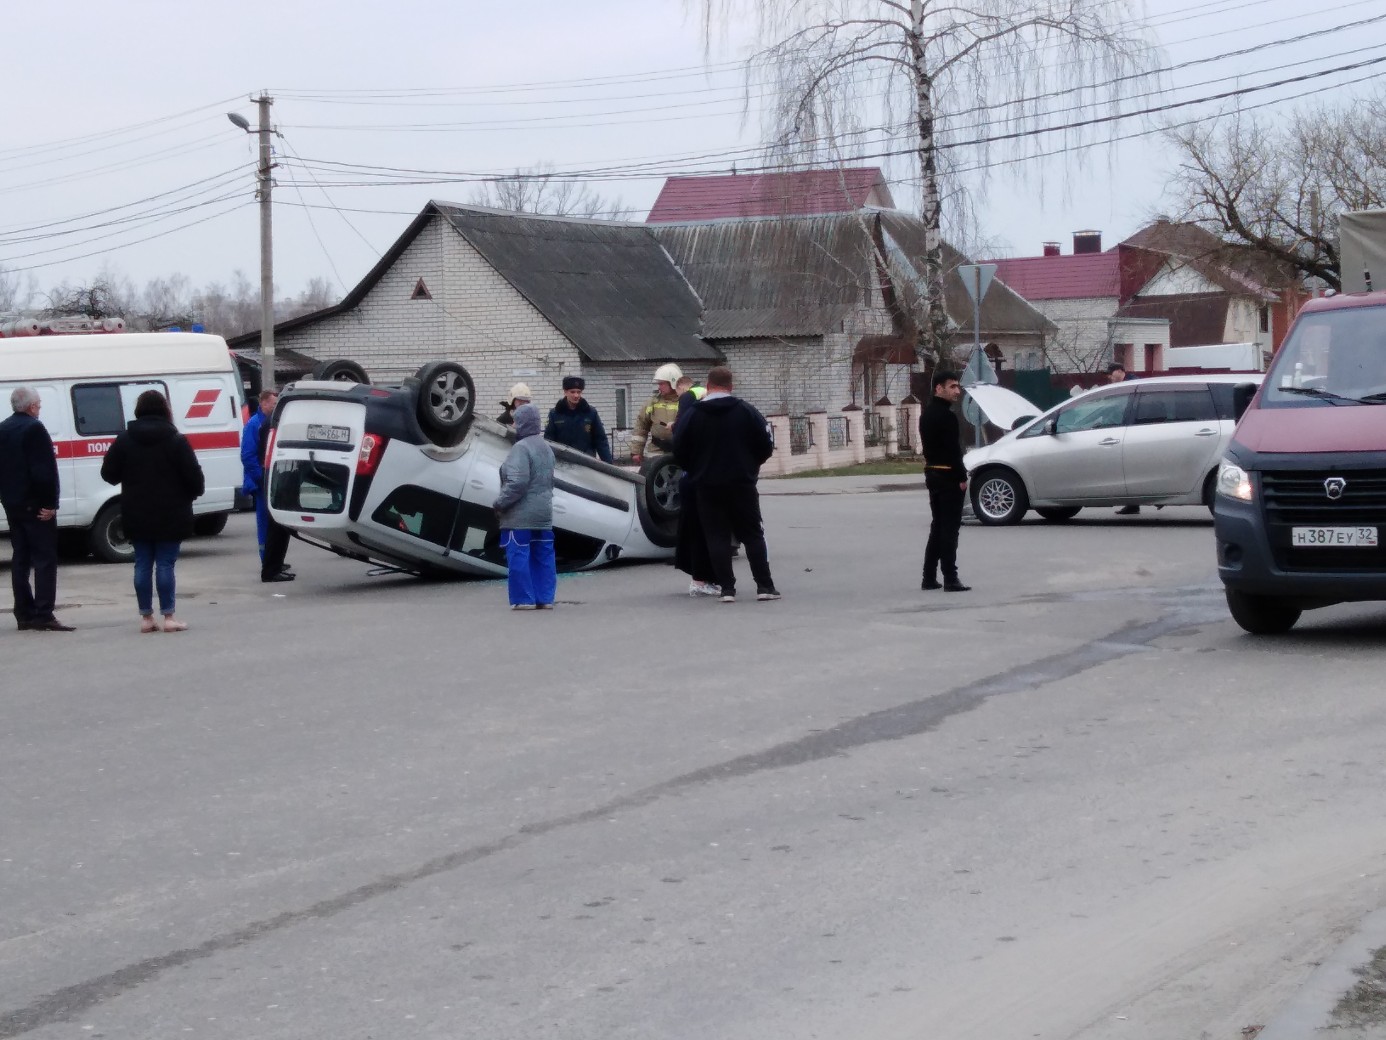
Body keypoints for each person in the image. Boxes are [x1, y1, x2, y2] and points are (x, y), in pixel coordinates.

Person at [672, 366, 780, 604]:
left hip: (706, 485)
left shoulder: (694, 414)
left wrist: (697, 469)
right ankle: (765, 586)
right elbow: (765, 445)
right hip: (741, 483)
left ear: (708, 387)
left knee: (716, 536)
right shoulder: (747, 411)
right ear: (731, 386)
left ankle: (727, 589)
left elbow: (679, 449)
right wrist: (750, 467)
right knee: (752, 534)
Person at [100, 390, 205, 633]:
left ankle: (146, 618)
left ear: (139, 410)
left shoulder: (125, 439)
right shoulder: (176, 439)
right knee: (166, 564)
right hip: (171, 511)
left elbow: (108, 474)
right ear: (164, 410)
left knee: (142, 563)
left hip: (136, 511)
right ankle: (169, 617)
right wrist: (191, 493)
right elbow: (194, 476)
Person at [0, 387, 73, 631]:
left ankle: (23, 613)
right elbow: (43, 471)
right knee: (44, 558)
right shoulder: (34, 428)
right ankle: (43, 613)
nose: (40, 408)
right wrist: (50, 504)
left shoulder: (3, 428)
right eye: (39, 404)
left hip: (13, 504)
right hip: (35, 505)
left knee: (20, 558)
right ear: (31, 407)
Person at [494, 403, 557, 610]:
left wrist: (500, 503)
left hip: (520, 516)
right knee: (543, 556)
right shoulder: (546, 447)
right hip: (543, 514)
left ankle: (524, 598)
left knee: (519, 555)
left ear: (522, 423)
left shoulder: (520, 448)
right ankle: (545, 597)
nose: (513, 424)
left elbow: (517, 482)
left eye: (515, 420)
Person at [919, 369, 971, 592]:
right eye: (952, 386)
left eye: (958, 386)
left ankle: (929, 577)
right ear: (938, 388)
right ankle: (951, 578)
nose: (957, 391)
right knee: (950, 529)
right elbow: (953, 450)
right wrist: (961, 476)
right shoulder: (947, 417)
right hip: (949, 476)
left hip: (932, 472)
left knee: (937, 527)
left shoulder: (926, 414)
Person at [671, 375, 717, 596]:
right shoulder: (702, 407)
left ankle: (702, 579)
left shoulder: (690, 402)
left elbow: (679, 447)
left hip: (692, 477)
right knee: (705, 530)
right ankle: (702, 580)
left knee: (698, 529)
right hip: (702, 479)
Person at [241, 390, 294, 583]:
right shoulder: (256, 425)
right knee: (267, 524)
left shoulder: (269, 422)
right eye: (272, 403)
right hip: (262, 481)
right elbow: (248, 456)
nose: (275, 406)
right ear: (263, 403)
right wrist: (262, 480)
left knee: (274, 523)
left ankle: (274, 562)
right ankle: (268, 562)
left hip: (267, 479)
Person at [544, 376, 612, 463]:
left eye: (579, 392)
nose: (576, 395)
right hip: (563, 464)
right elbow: (549, 442)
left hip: (587, 463)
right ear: (565, 392)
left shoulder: (591, 413)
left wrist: (609, 464)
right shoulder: (555, 414)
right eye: (572, 392)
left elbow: (601, 440)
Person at [629, 363, 683, 464]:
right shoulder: (652, 403)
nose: (659, 387)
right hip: (656, 452)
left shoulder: (686, 401)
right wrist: (636, 451)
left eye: (662, 384)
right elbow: (641, 427)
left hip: (682, 452)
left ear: (673, 383)